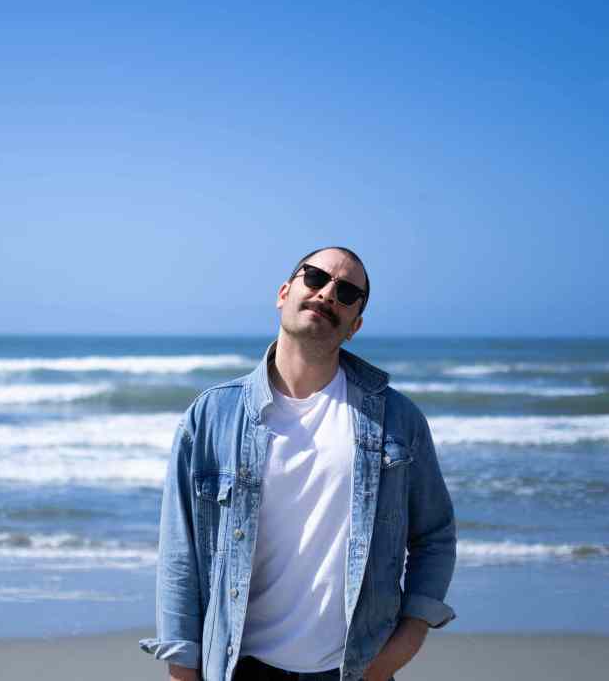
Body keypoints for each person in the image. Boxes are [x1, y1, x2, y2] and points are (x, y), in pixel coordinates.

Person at [140, 246, 456, 681]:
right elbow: (181, 552)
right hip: (239, 667)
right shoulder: (212, 416)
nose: (328, 294)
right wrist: (182, 671)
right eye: (315, 277)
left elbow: (434, 536)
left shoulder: (397, 420)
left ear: (355, 325)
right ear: (284, 293)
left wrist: (406, 640)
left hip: (353, 669)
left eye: (347, 293)